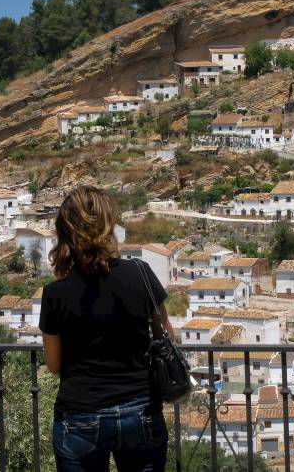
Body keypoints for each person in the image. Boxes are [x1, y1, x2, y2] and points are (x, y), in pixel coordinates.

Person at [41, 186, 171, 472]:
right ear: (108, 225)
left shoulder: (54, 293)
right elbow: (167, 336)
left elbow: (53, 364)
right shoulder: (141, 274)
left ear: (64, 231)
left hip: (79, 414)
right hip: (140, 408)